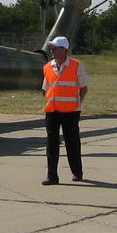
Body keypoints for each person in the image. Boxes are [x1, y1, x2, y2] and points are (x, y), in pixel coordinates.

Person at [40, 36, 87, 185]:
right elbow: (46, 88)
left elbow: (83, 88)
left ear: (63, 50)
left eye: (54, 48)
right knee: (51, 143)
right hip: (52, 110)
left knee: (72, 142)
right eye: (51, 48)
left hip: (71, 111)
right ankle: (52, 175)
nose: (52, 51)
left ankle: (77, 172)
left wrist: (77, 103)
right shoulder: (47, 67)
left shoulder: (76, 65)